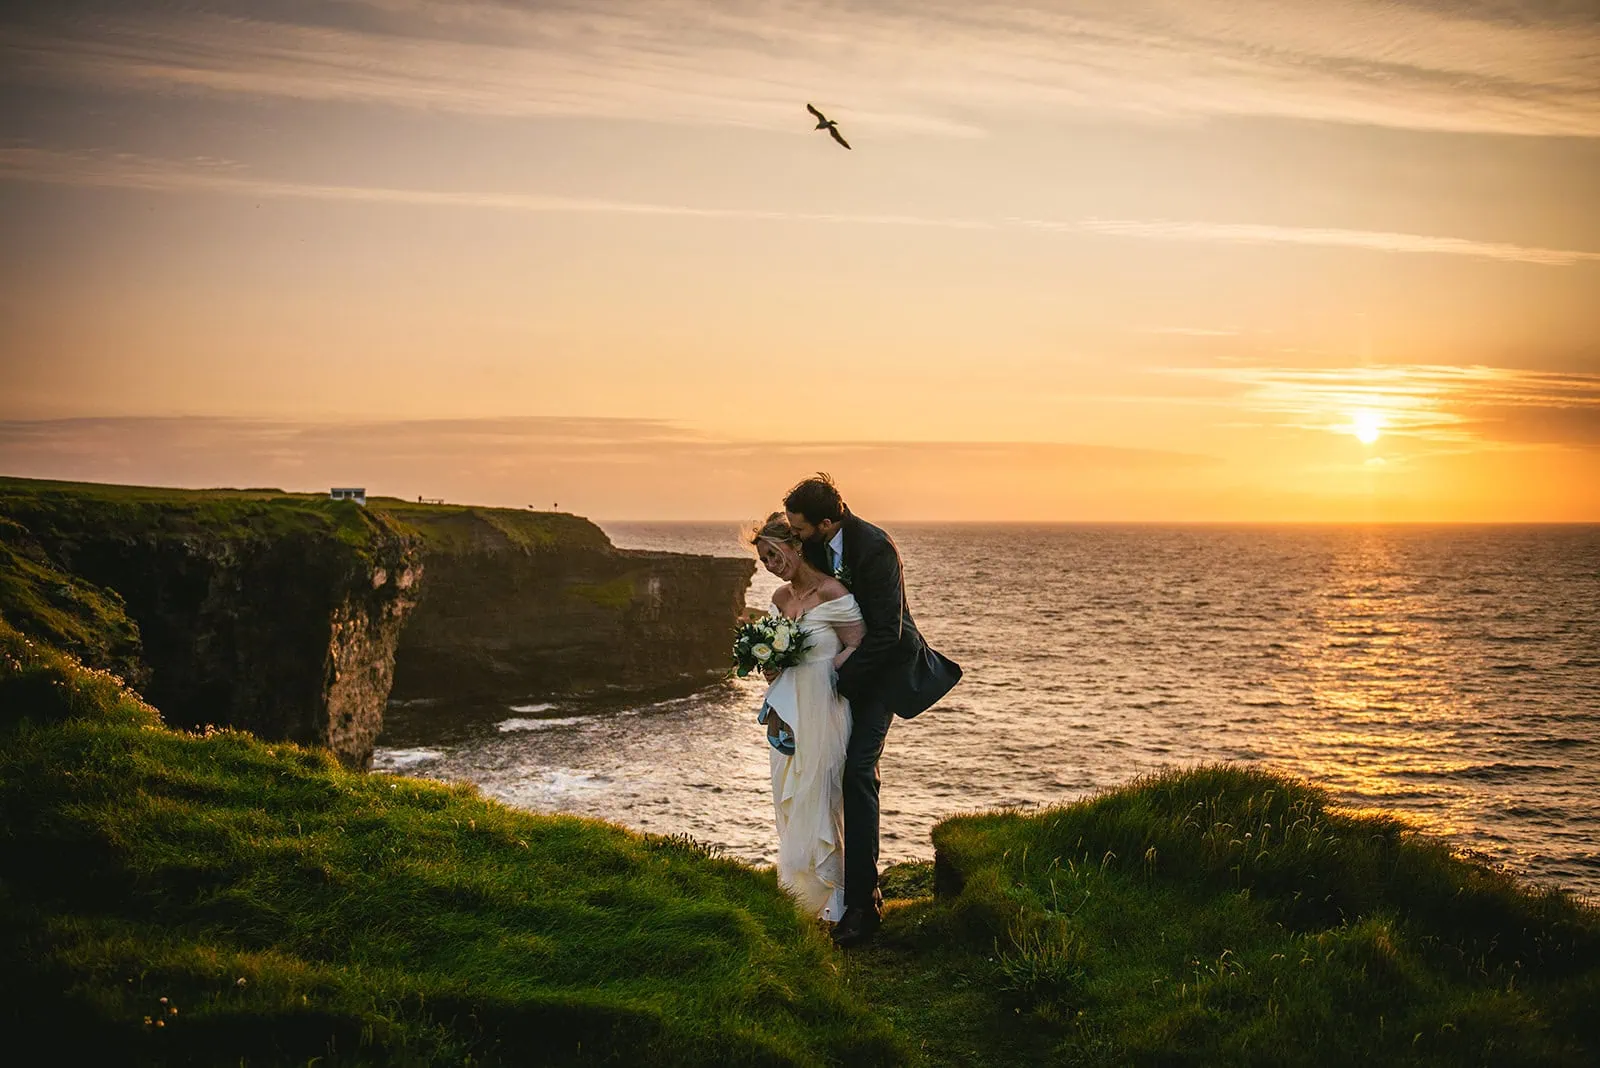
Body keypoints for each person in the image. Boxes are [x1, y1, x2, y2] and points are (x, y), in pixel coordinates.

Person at [783, 474, 962, 948]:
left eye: (799, 529)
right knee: (827, 774)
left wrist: (836, 679)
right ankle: (832, 891)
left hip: (881, 675)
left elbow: (889, 633)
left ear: (826, 522)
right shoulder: (817, 547)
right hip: (841, 679)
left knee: (858, 773)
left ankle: (864, 907)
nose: (795, 536)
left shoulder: (877, 548)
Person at [752, 512, 864, 922]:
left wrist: (827, 672)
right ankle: (797, 894)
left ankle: (833, 902)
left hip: (823, 709)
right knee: (790, 793)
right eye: (763, 558)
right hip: (788, 709)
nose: (769, 563)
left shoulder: (833, 593)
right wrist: (771, 665)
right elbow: (774, 649)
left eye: (772, 553)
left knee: (822, 796)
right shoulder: (781, 600)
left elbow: (858, 643)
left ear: (795, 546)